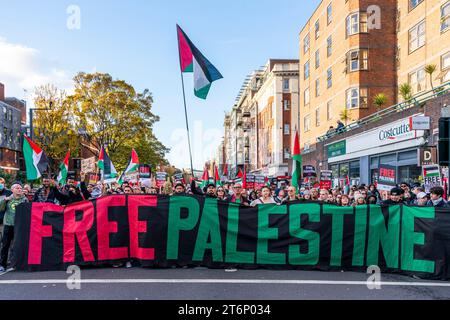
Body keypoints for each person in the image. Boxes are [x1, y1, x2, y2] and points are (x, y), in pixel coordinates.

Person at [0, 183, 28, 272]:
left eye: (20, 188)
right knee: (5, 245)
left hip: (19, 226)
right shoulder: (8, 199)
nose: (19, 189)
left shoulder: (25, 199)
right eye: (17, 188)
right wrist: (5, 200)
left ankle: (17, 263)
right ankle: (2, 265)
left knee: (18, 245)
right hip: (8, 224)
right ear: (12, 190)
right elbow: (1, 209)